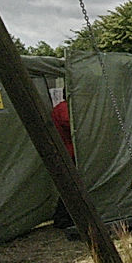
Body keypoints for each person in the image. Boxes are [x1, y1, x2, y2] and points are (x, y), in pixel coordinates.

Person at [50, 92, 75, 230]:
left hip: (64, 152)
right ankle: (63, 218)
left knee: (68, 187)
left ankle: (62, 217)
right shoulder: (65, 108)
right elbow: (71, 124)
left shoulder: (59, 108)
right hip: (69, 153)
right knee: (71, 188)